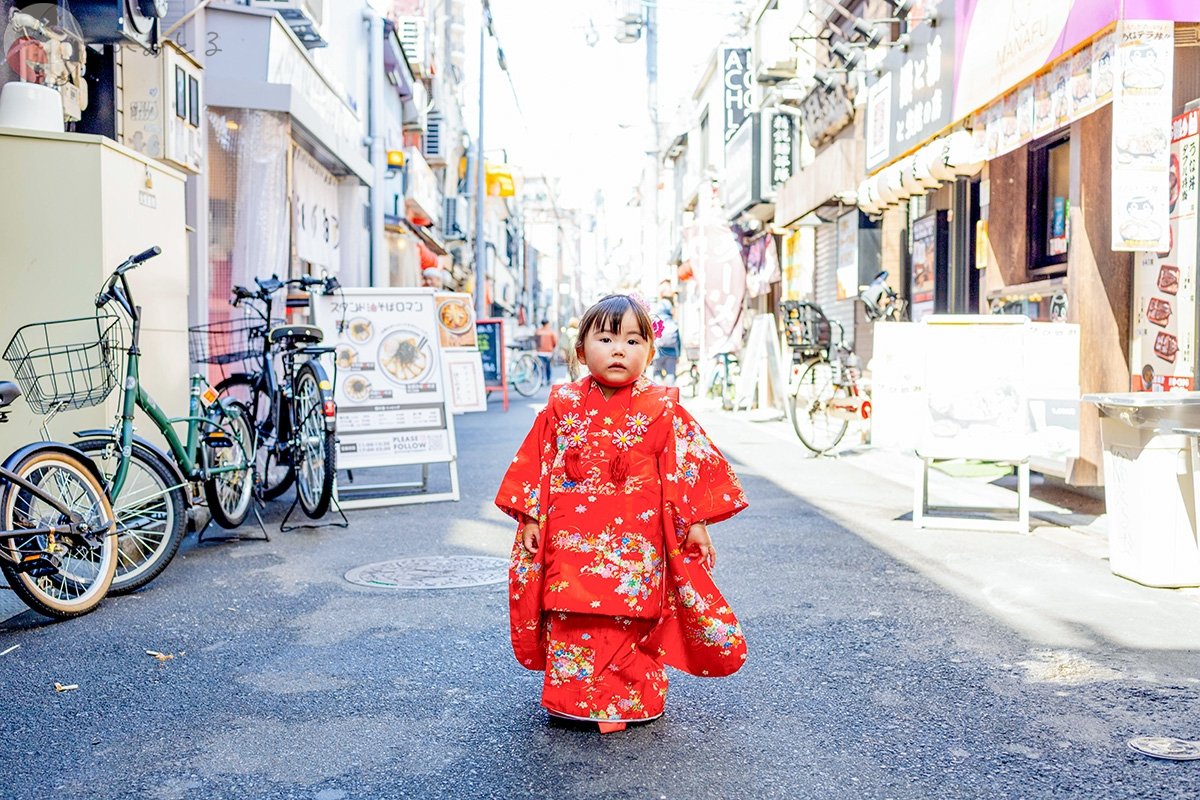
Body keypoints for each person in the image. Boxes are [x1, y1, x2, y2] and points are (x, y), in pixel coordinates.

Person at [494, 294, 748, 734]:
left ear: (650, 351)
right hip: (569, 540)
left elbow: (686, 469)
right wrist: (531, 517)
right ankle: (571, 700)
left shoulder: (663, 407)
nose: (618, 349)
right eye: (606, 338)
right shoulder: (562, 404)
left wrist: (697, 524)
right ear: (580, 351)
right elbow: (535, 460)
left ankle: (630, 699)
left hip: (636, 539)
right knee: (570, 612)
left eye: (633, 340)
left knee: (632, 614)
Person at [650, 300, 680, 385]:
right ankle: (669, 394)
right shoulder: (673, 322)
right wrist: (678, 355)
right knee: (670, 373)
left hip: (657, 352)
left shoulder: (655, 322)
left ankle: (658, 393)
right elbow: (678, 340)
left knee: (657, 372)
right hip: (672, 353)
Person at [535, 319, 558, 384]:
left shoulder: (538, 332)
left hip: (540, 352)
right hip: (548, 352)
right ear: (547, 324)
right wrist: (552, 348)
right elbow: (555, 342)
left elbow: (535, 341)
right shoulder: (551, 332)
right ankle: (548, 379)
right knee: (548, 366)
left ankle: (541, 380)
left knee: (541, 367)